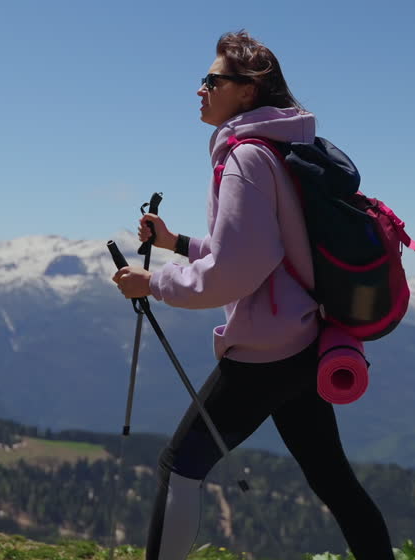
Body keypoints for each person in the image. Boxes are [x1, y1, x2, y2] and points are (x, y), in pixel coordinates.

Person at [112, 30, 394, 559]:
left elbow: (237, 271)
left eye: (211, 80)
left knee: (179, 466)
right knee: (333, 480)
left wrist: (152, 281)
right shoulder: (280, 149)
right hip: (305, 339)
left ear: (247, 91)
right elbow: (264, 253)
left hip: (265, 352)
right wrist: (175, 243)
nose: (200, 90)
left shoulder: (245, 157)